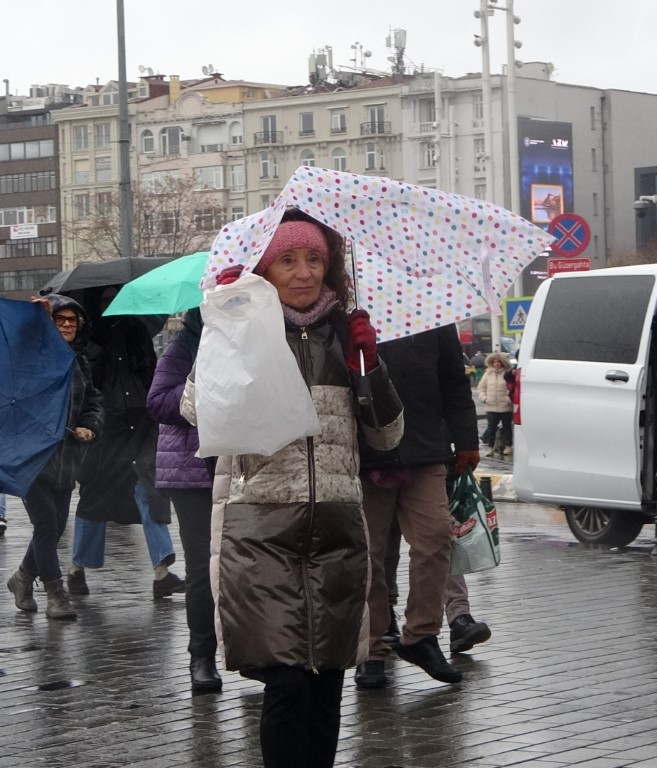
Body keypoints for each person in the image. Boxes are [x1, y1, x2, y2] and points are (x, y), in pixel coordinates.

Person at [183, 210, 403, 768]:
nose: (303, 272)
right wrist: (230, 326)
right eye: (287, 259)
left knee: (328, 681)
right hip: (259, 529)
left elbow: (388, 433)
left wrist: (370, 366)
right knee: (287, 683)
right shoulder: (243, 326)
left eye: (314, 259)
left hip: (336, 527)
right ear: (266, 267)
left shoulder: (344, 334)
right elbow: (193, 410)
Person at [354, 325, 477, 690]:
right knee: (371, 555)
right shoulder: (347, 310)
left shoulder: (430, 313)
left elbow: (454, 379)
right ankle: (372, 650)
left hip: (424, 446)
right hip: (365, 455)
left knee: (436, 538)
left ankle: (420, 635)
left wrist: (466, 439)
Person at [67, 308, 183, 601]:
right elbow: (86, 387)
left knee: (148, 490)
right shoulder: (89, 339)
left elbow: (150, 375)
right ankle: (76, 568)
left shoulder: (136, 332)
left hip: (140, 426)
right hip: (106, 431)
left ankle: (162, 572)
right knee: (95, 496)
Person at [5, 294, 103, 621]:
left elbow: (92, 401)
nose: (66, 325)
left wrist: (89, 425)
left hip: (67, 457)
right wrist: (37, 316)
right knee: (46, 524)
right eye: (59, 320)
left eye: (72, 321)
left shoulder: (80, 361)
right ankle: (55, 593)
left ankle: (21, 577)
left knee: (56, 526)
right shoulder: (32, 356)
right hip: (32, 456)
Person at [147, 307, 221, 693]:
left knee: (252, 564)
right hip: (192, 472)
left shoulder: (260, 335)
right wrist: (202, 379)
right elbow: (158, 402)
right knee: (202, 566)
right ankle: (202, 656)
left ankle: (256, 652)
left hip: (244, 462)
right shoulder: (183, 344)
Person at [478, 353, 514, 457]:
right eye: (494, 362)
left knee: (507, 427)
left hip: (505, 406)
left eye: (498, 361)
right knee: (491, 427)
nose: (496, 364)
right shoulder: (487, 374)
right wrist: (484, 398)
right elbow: (481, 387)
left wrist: (508, 399)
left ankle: (508, 446)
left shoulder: (507, 374)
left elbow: (511, 387)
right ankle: (490, 447)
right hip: (491, 405)